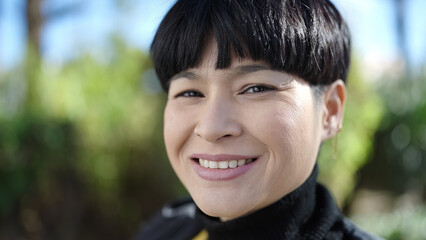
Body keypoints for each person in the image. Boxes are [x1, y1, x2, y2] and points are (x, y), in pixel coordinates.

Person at [136, 0, 384, 239]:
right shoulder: (165, 228)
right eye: (190, 92)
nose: (211, 128)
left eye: (256, 88)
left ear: (330, 111)